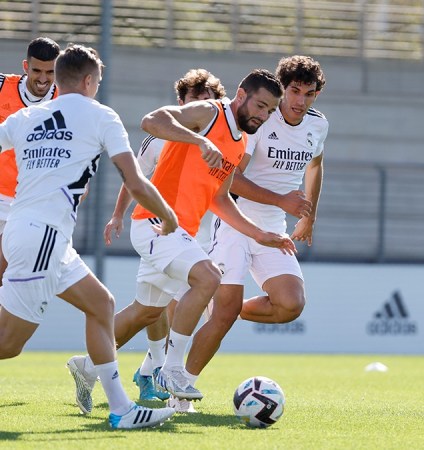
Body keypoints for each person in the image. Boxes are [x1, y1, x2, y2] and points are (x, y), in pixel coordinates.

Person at [67, 68, 310, 416]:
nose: (263, 115)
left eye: (270, 110)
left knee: (146, 312)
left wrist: (259, 233)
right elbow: (151, 120)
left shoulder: (240, 141)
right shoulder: (210, 112)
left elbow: (220, 199)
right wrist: (200, 141)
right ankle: (172, 370)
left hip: (178, 232)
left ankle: (87, 366)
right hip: (155, 224)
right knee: (208, 277)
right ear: (241, 96)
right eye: (260, 105)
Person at [0, 43, 178, 429]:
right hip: (42, 239)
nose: (97, 86)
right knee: (7, 344)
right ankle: (122, 409)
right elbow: (136, 182)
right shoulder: (101, 115)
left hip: (27, 232)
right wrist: (168, 214)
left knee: (101, 304)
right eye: (97, 80)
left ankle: (121, 409)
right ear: (87, 81)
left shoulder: (27, 116)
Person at [184, 55, 328, 392]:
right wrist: (281, 200)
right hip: (236, 221)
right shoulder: (260, 121)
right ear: (282, 89)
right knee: (224, 316)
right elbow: (230, 179)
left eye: (309, 94)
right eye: (294, 91)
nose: (300, 101)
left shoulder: (318, 125)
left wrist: (309, 216)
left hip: (274, 226)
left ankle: (224, 306)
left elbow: (315, 165)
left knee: (291, 304)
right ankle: (182, 389)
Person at [123, 69, 227, 412]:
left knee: (154, 309)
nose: (203, 106)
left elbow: (219, 191)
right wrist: (117, 215)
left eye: (209, 100)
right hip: (163, 230)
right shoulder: (161, 138)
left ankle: (129, 369)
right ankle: (168, 379)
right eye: (195, 100)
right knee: (171, 303)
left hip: (197, 235)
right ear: (181, 102)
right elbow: (135, 177)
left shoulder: (222, 139)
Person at [0, 37, 60, 287]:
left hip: (29, 203)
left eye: (50, 72)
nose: (43, 79)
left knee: (11, 280)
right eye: (37, 71)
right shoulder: (2, 85)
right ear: (26, 66)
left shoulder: (66, 101)